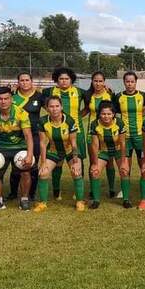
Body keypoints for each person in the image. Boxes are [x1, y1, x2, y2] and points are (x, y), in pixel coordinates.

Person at [0, 87, 34, 212]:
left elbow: (28, 136)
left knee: (26, 171)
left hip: (19, 147)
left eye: (6, 98)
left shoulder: (21, 113)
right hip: (0, 147)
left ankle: (24, 200)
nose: (3, 101)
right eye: (0, 99)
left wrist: (29, 154)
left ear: (11, 99)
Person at [42, 67, 87, 200]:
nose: (64, 81)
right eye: (61, 79)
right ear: (56, 80)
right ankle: (56, 191)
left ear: (71, 79)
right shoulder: (49, 91)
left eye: (66, 78)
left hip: (75, 131)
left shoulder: (80, 92)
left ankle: (78, 192)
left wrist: (78, 116)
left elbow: (90, 105)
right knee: (57, 159)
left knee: (78, 160)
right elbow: (39, 99)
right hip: (55, 131)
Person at [34, 96, 85, 212]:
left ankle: (80, 201)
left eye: (57, 106)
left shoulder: (69, 120)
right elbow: (42, 143)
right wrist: (42, 163)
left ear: (61, 107)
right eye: (51, 106)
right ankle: (42, 203)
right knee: (43, 173)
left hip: (69, 151)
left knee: (76, 172)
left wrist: (76, 162)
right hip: (53, 151)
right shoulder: (42, 121)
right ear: (46, 108)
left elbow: (73, 143)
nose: (54, 109)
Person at [88, 101, 131, 209]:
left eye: (108, 114)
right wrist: (94, 163)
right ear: (99, 114)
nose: (106, 116)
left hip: (118, 150)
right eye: (103, 114)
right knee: (94, 172)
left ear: (113, 114)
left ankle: (126, 199)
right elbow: (94, 145)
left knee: (124, 171)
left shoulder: (119, 123)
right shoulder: (94, 124)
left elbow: (122, 143)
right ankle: (96, 200)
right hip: (104, 151)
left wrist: (124, 162)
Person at [8, 72, 43, 201]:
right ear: (18, 82)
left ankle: (31, 193)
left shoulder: (39, 96)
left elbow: (51, 109)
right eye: (21, 80)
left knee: (32, 165)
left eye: (27, 80)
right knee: (16, 165)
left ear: (31, 81)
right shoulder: (12, 96)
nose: (24, 82)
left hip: (34, 136)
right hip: (16, 135)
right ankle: (13, 193)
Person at [83, 71, 116, 198]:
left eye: (100, 81)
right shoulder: (88, 95)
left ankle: (112, 189)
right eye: (95, 81)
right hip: (92, 132)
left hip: (108, 132)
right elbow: (86, 110)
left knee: (110, 161)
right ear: (92, 82)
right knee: (93, 160)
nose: (98, 83)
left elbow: (114, 113)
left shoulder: (110, 95)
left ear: (104, 82)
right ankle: (93, 189)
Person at [113, 71, 145, 179]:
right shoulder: (119, 96)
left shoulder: (142, 95)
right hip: (125, 136)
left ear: (136, 82)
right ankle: (125, 188)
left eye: (132, 81)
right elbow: (114, 112)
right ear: (124, 82)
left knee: (142, 162)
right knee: (125, 163)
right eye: (127, 81)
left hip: (139, 135)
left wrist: (140, 115)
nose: (130, 84)